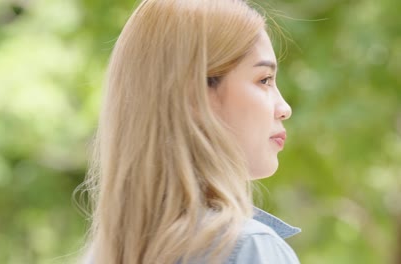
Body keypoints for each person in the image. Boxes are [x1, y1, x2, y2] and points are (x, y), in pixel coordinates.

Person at [78, 0, 301, 263]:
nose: (284, 108)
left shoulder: (103, 255)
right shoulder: (249, 248)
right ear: (193, 94)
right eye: (264, 80)